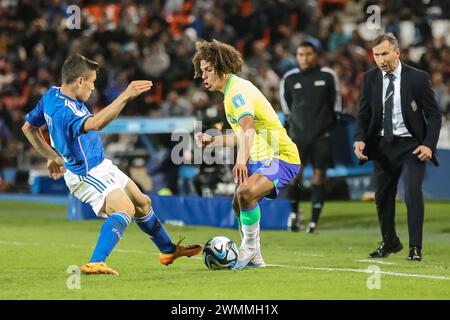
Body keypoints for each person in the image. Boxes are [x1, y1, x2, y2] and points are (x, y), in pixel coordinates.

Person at [22, 54, 202, 275]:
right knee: (125, 208)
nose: (92, 89)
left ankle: (168, 250)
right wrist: (125, 95)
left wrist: (51, 156)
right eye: (91, 83)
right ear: (79, 81)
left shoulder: (51, 95)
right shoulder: (65, 111)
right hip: (85, 173)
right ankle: (96, 262)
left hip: (101, 165)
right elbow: (97, 123)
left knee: (142, 203)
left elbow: (28, 128)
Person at [192, 40, 301, 270]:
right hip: (263, 159)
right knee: (238, 203)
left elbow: (248, 128)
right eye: (202, 71)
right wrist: (213, 139)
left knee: (245, 192)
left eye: (208, 70)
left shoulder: (237, 92)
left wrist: (241, 160)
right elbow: (242, 134)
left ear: (223, 67)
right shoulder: (231, 91)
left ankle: (248, 249)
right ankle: (256, 255)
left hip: (281, 156)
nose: (204, 75)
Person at [354, 33, 441, 261]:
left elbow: (433, 115)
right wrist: (360, 138)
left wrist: (428, 145)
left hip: (412, 146)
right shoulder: (370, 78)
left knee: (412, 193)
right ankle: (390, 241)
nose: (381, 59)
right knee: (382, 196)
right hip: (382, 146)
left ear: (397, 52)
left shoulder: (417, 78)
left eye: (385, 53)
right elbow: (363, 114)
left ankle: (415, 247)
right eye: (376, 55)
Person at [280, 41, 341, 233]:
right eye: (300, 54)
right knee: (294, 175)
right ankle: (294, 214)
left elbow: (336, 103)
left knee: (319, 175)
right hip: (298, 135)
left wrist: (329, 125)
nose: (304, 58)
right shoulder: (289, 78)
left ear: (316, 55)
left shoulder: (328, 75)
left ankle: (314, 221)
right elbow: (287, 107)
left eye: (308, 54)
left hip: (322, 134)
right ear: (296, 57)